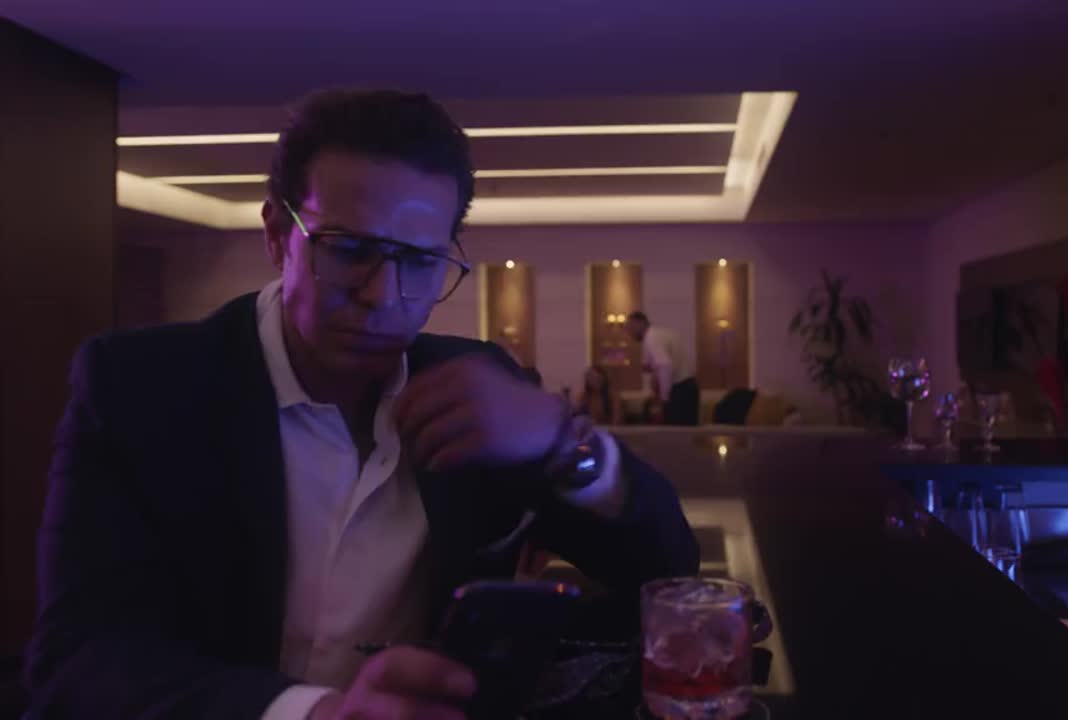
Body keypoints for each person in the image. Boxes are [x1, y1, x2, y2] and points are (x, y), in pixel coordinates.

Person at [25, 89, 699, 720]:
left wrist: (563, 441)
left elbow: (666, 569)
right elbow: (77, 661)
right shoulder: (142, 387)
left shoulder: (479, 384)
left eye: (421, 261)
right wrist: (315, 712)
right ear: (275, 233)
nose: (383, 296)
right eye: (349, 251)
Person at [625, 311, 699, 426]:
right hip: (690, 388)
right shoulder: (663, 334)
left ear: (640, 323)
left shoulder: (651, 338)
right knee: (688, 432)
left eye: (630, 328)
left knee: (675, 433)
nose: (629, 333)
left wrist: (664, 398)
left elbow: (665, 365)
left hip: (679, 391)